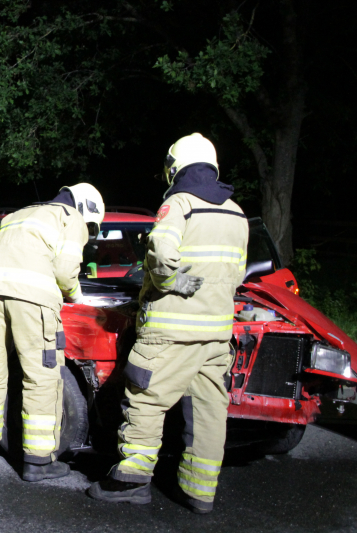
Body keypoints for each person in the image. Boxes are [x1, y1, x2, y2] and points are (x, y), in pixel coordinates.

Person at [88, 133, 249, 514]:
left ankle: (131, 479)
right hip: (216, 335)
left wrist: (169, 281)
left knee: (146, 398)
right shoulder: (237, 212)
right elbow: (236, 272)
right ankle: (199, 491)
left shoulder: (180, 204)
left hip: (170, 333)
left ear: (174, 169)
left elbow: (160, 251)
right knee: (208, 410)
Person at [0, 183, 105, 481]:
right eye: (91, 226)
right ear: (86, 209)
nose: (89, 231)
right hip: (30, 299)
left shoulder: (19, 215)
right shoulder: (71, 217)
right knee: (41, 376)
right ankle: (38, 462)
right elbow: (66, 272)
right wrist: (78, 297)